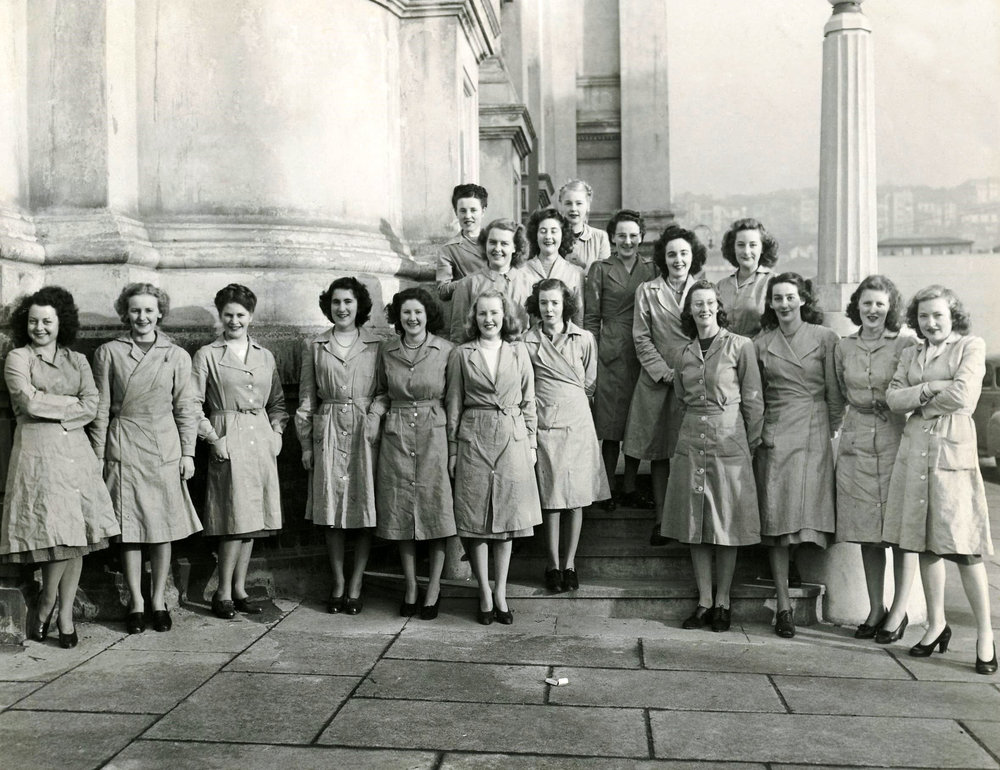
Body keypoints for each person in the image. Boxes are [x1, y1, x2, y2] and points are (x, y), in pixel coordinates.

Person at [883, 285, 995, 674]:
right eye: (924, 316)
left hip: (952, 452)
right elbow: (893, 398)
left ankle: (985, 635)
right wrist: (932, 387)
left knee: (964, 547)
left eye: (938, 315)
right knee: (926, 544)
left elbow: (965, 397)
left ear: (953, 316)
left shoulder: (970, 346)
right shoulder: (911, 353)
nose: (931, 323)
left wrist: (920, 403)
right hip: (916, 452)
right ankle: (936, 624)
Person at [1, 287, 119, 648]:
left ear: (60, 323)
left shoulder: (77, 360)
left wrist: (56, 405)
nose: (39, 327)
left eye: (47, 321)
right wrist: (70, 404)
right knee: (55, 532)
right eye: (33, 321)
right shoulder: (18, 358)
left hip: (76, 453)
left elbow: (92, 405)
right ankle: (47, 601)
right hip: (37, 453)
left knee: (76, 534)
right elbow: (28, 402)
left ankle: (64, 614)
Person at [90, 283, 203, 634]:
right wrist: (97, 456)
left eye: (149, 310)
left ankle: (158, 600)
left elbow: (186, 408)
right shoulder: (109, 352)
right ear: (126, 314)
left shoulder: (177, 355)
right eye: (135, 310)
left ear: (160, 313)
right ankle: (136, 602)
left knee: (161, 525)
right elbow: (100, 409)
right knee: (130, 528)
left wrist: (188, 452)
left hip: (164, 445)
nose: (142, 317)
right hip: (124, 443)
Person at [662, 280, 763, 632]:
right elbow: (681, 396)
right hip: (692, 440)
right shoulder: (683, 353)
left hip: (729, 440)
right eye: (697, 304)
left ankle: (723, 601)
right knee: (696, 522)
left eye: (709, 303)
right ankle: (704, 601)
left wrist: (749, 445)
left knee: (726, 521)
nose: (704, 309)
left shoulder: (740, 346)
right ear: (689, 311)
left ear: (718, 307)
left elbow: (753, 400)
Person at [754, 272, 845, 639]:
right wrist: (760, 434)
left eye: (790, 297)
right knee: (777, 518)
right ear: (770, 303)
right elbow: (757, 395)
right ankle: (783, 606)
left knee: (803, 513)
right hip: (776, 433)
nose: (784, 304)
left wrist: (831, 430)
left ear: (803, 299)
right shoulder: (761, 344)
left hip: (813, 430)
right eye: (777, 298)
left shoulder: (825, 338)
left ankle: (793, 571)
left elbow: (835, 393)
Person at [191, 284, 288, 620]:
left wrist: (276, 433)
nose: (234, 321)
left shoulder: (265, 355)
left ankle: (239, 589)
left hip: (260, 438)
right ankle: (221, 592)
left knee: (253, 520)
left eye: (241, 315)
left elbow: (277, 402)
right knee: (234, 519)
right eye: (228, 315)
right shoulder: (207, 355)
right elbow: (191, 403)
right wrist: (212, 438)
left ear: (251, 316)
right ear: (220, 316)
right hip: (228, 436)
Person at [446, 290, 542, 625]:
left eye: (495, 313)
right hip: (474, 436)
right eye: (483, 313)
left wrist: (531, 444)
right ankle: (484, 592)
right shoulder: (462, 354)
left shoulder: (518, 351)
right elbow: (454, 403)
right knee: (475, 519)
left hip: (511, 437)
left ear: (505, 316)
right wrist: (453, 449)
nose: (489, 319)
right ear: (475, 317)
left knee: (507, 520)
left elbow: (529, 400)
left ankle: (501, 592)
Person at [832, 275, 918, 641]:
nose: (873, 310)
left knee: (899, 532)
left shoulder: (905, 343)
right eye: (866, 303)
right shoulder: (844, 347)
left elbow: (912, 388)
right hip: (856, 441)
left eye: (880, 304)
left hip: (894, 438)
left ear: (890, 307)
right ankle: (875, 608)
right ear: (857, 306)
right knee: (866, 532)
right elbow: (839, 392)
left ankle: (899, 611)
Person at [296, 277, 382, 615]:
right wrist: (306, 443)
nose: (342, 308)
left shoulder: (376, 345)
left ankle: (356, 583)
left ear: (359, 305)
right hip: (329, 430)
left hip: (364, 431)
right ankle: (338, 582)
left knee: (364, 508)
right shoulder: (315, 345)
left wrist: (374, 416)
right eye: (336, 302)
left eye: (348, 301)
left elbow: (385, 392)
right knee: (330, 510)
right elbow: (306, 398)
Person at [374, 287, 455, 620]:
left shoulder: (446, 350)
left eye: (418, 312)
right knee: (400, 511)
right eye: (406, 312)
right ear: (398, 316)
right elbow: (382, 392)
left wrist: (453, 444)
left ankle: (433, 588)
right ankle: (410, 586)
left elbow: (453, 399)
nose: (412, 318)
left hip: (434, 434)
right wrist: (375, 414)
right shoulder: (387, 350)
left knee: (436, 509)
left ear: (427, 315)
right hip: (397, 435)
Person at [524, 279, 609, 592]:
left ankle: (570, 564)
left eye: (555, 303)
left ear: (565, 305)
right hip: (546, 423)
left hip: (577, 423)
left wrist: (571, 403)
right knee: (552, 498)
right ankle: (552, 564)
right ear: (537, 306)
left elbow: (590, 382)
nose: (549, 309)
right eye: (543, 303)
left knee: (576, 498)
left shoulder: (584, 338)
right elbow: (525, 383)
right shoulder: (527, 341)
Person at [623, 225, 704, 541]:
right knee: (659, 452)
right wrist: (665, 372)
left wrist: (690, 374)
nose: (678, 259)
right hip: (657, 381)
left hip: (694, 381)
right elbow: (641, 338)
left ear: (693, 256)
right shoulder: (647, 291)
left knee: (692, 451)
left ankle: (691, 521)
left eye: (684, 253)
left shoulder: (703, 291)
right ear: (663, 258)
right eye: (672, 254)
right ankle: (661, 520)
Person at [584, 209, 658, 511]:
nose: (628, 241)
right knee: (611, 424)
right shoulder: (600, 269)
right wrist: (592, 354)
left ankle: (630, 487)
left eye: (633, 236)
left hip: (643, 347)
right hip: (611, 351)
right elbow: (591, 318)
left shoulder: (651, 269)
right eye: (621, 236)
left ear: (641, 237)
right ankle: (607, 489)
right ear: (612, 238)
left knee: (636, 421)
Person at [449, 218, 533, 341]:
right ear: (485, 244)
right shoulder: (467, 285)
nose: (497, 249)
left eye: (504, 243)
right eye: (492, 242)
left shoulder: (529, 283)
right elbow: (458, 335)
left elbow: (535, 332)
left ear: (515, 247)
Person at [522, 207, 585, 328]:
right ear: (535, 235)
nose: (548, 236)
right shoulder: (521, 271)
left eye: (554, 231)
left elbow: (579, 318)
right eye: (543, 231)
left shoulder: (576, 273)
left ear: (563, 235)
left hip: (565, 338)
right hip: (530, 338)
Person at [716, 218, 779, 337]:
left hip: (760, 347)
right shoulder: (721, 285)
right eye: (740, 245)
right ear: (733, 248)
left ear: (762, 248)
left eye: (753, 245)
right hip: (724, 347)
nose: (746, 251)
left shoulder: (774, 282)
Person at [435, 184, 489, 305]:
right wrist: (472, 280)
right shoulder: (448, 250)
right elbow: (443, 291)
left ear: (483, 211)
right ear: (456, 212)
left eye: (473, 210)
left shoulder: (497, 242)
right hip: (467, 309)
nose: (468, 216)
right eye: (463, 210)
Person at [558, 179, 611, 272]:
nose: (573, 208)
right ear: (561, 206)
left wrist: (582, 267)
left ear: (588, 206)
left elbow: (603, 275)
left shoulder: (600, 237)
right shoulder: (553, 236)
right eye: (568, 203)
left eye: (579, 203)